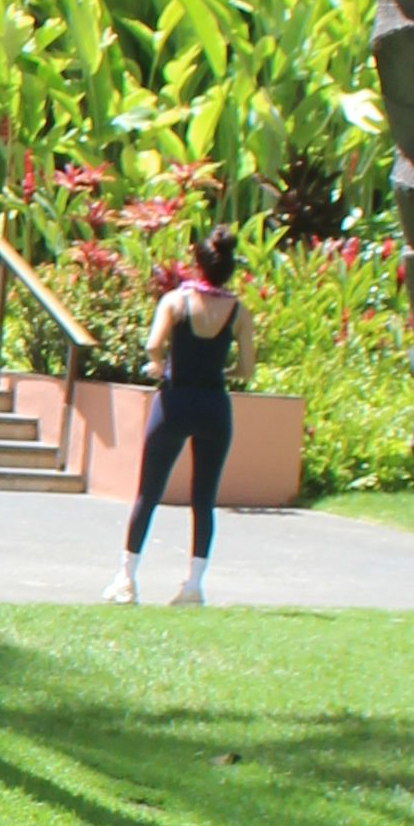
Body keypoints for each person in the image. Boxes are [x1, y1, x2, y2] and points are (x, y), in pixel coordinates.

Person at [111, 226, 255, 605]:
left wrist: (158, 366)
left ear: (198, 263)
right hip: (213, 407)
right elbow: (247, 369)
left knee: (149, 492)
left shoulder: (176, 302)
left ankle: (127, 579)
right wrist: (223, 373)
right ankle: (193, 586)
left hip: (175, 401)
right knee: (203, 499)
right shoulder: (239, 311)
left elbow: (154, 344)